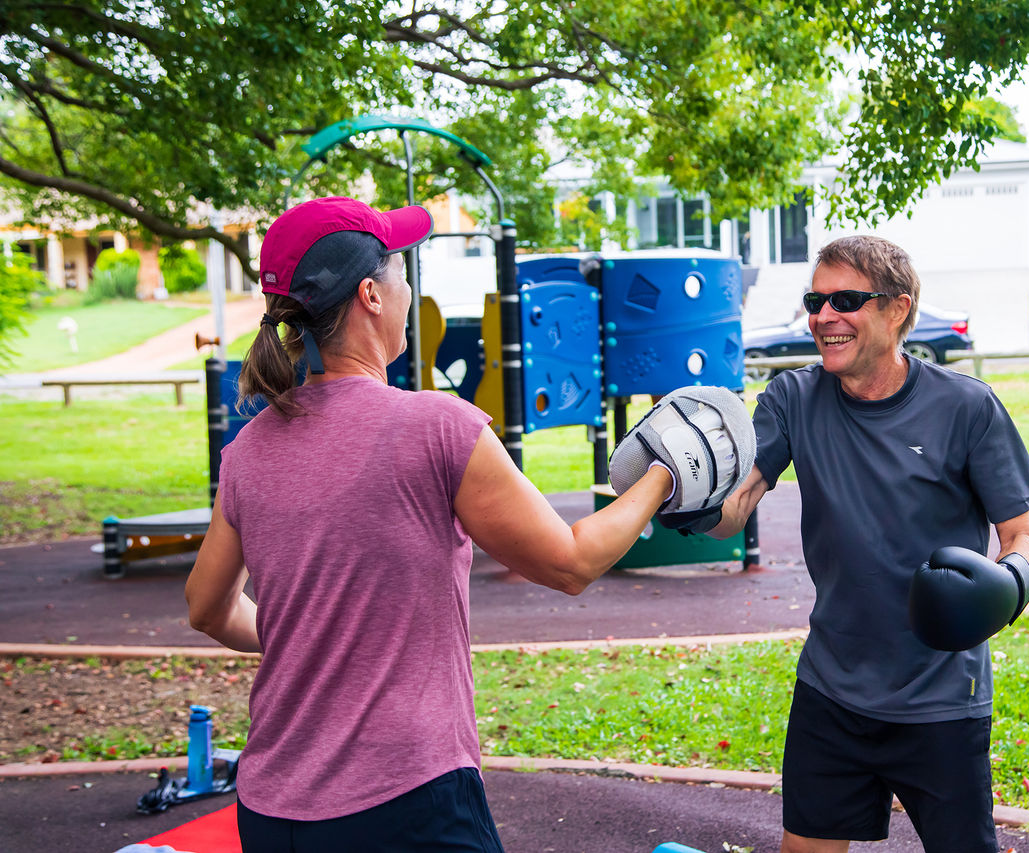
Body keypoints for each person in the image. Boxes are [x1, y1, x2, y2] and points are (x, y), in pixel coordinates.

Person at [184, 196, 738, 852]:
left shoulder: (248, 450)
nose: (408, 285)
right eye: (399, 269)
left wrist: (302, 636)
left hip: (272, 811)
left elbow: (205, 608)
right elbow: (570, 561)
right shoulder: (433, 428)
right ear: (371, 295)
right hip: (403, 801)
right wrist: (666, 473)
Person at [697, 235, 1029, 853]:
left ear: (897, 310)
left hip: (940, 695)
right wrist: (690, 498)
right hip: (831, 689)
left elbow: (1023, 536)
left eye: (846, 300)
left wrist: (1007, 583)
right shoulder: (792, 399)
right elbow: (736, 507)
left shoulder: (967, 407)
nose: (823, 317)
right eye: (816, 300)